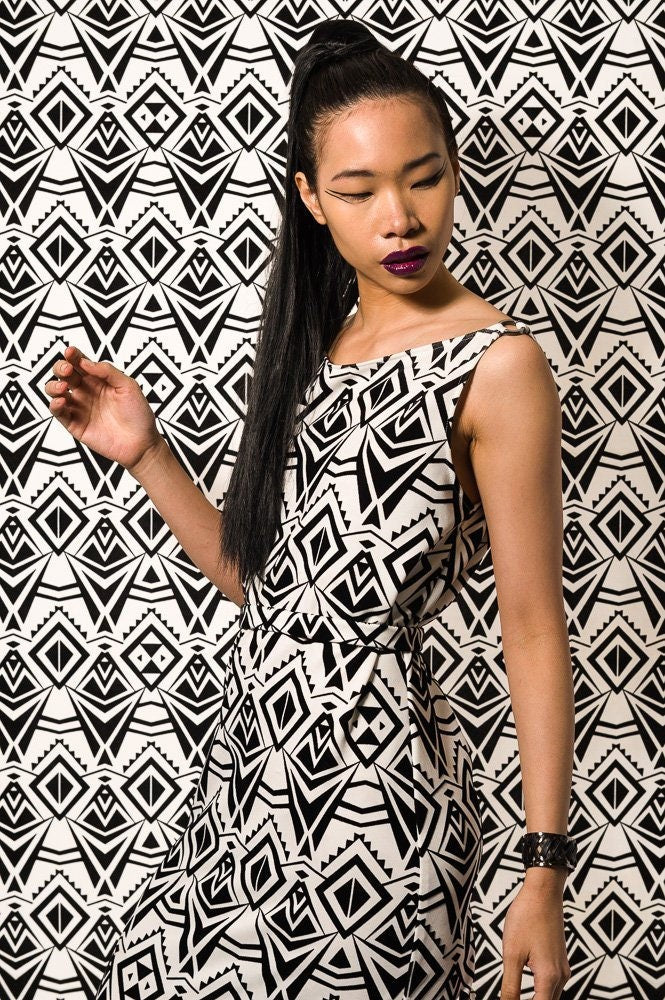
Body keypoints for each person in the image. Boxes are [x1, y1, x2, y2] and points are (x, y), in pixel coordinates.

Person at [44, 18, 577, 1000]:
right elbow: (269, 591)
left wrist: (541, 871)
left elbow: (534, 627)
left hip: (377, 814)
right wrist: (145, 451)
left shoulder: (497, 366)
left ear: (455, 171)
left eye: (424, 178)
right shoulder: (318, 349)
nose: (400, 218)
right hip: (240, 787)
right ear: (310, 199)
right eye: (358, 190)